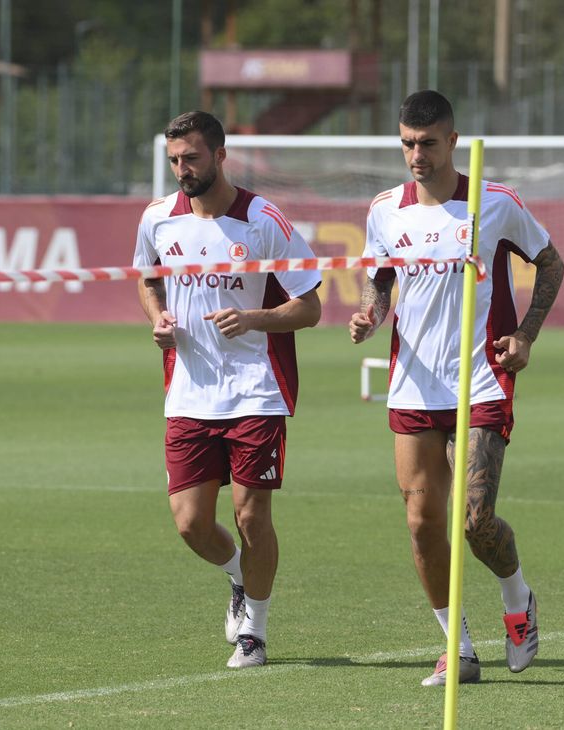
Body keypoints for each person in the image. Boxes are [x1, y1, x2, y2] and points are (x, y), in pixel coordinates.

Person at [348, 90, 564, 686]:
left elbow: (551, 264)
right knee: (422, 523)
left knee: (473, 520)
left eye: (427, 143)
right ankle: (459, 647)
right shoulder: (385, 209)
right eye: (407, 143)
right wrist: (371, 313)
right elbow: (381, 282)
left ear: (452, 141)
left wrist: (526, 334)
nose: (416, 154)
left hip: (481, 380)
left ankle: (518, 601)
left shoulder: (493, 203)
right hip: (413, 385)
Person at [134, 110, 322, 669]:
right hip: (189, 392)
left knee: (250, 516)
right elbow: (148, 277)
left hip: (255, 391)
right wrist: (159, 318)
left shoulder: (264, 220)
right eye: (173, 160)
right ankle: (239, 577)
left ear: (220, 155)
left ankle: (256, 633)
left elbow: (310, 307)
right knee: (190, 522)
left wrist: (255, 319)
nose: (181, 169)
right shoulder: (158, 219)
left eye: (191, 158)